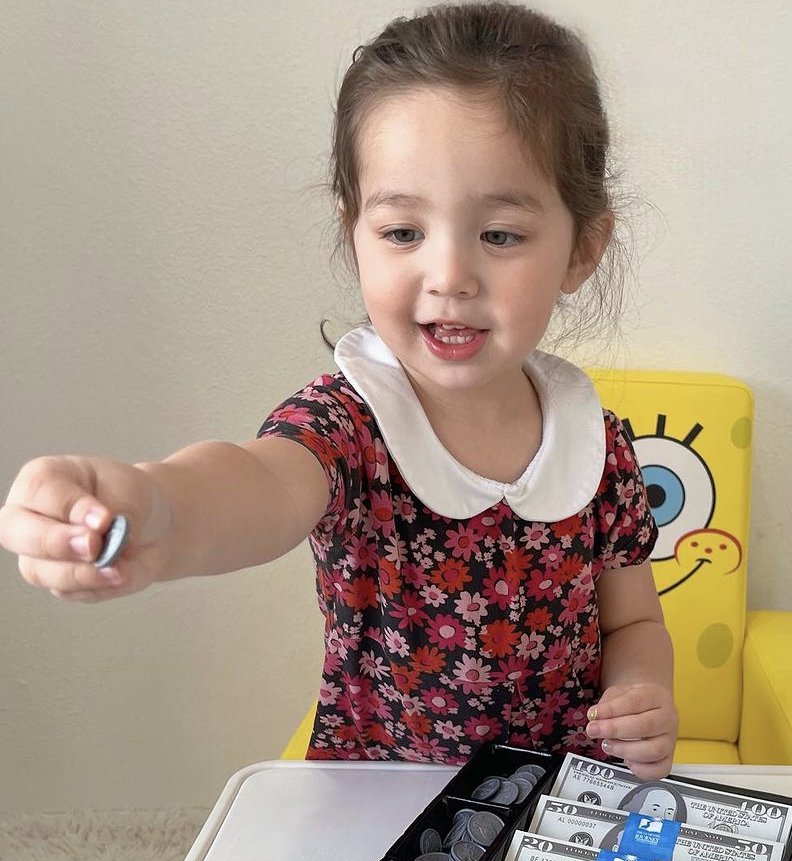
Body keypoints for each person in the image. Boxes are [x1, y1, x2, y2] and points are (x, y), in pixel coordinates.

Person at [0, 3, 678, 779]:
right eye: (401, 233)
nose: (449, 276)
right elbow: (254, 486)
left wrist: (643, 689)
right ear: (352, 229)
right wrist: (156, 505)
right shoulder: (348, 426)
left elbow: (634, 622)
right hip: (381, 807)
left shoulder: (599, 447)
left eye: (500, 235)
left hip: (558, 802)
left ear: (582, 249)